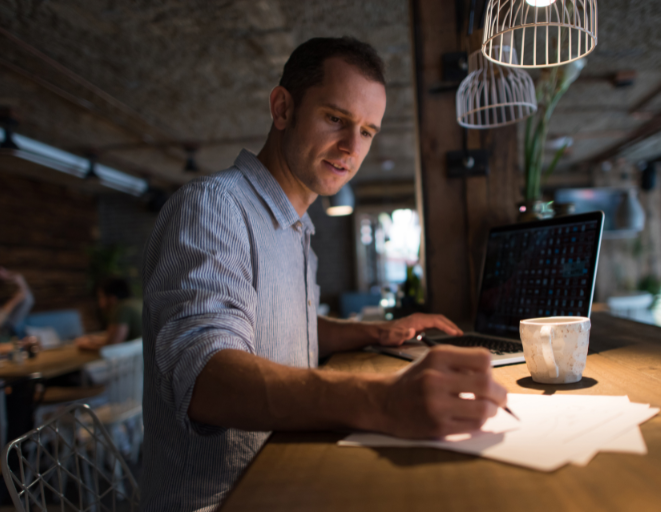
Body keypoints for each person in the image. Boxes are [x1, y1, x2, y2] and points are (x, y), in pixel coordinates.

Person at [141, 37, 508, 511]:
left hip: (286, 478)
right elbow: (207, 379)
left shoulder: (297, 229)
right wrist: (382, 399)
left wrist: (375, 331)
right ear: (282, 108)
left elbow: (277, 326)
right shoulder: (214, 207)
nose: (352, 148)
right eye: (336, 118)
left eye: (367, 131)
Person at [75, 277, 143, 350]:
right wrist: (96, 340)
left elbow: (112, 347)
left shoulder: (122, 308)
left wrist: (84, 345)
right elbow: (116, 339)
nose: (99, 303)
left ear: (111, 298)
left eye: (100, 297)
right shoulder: (137, 303)